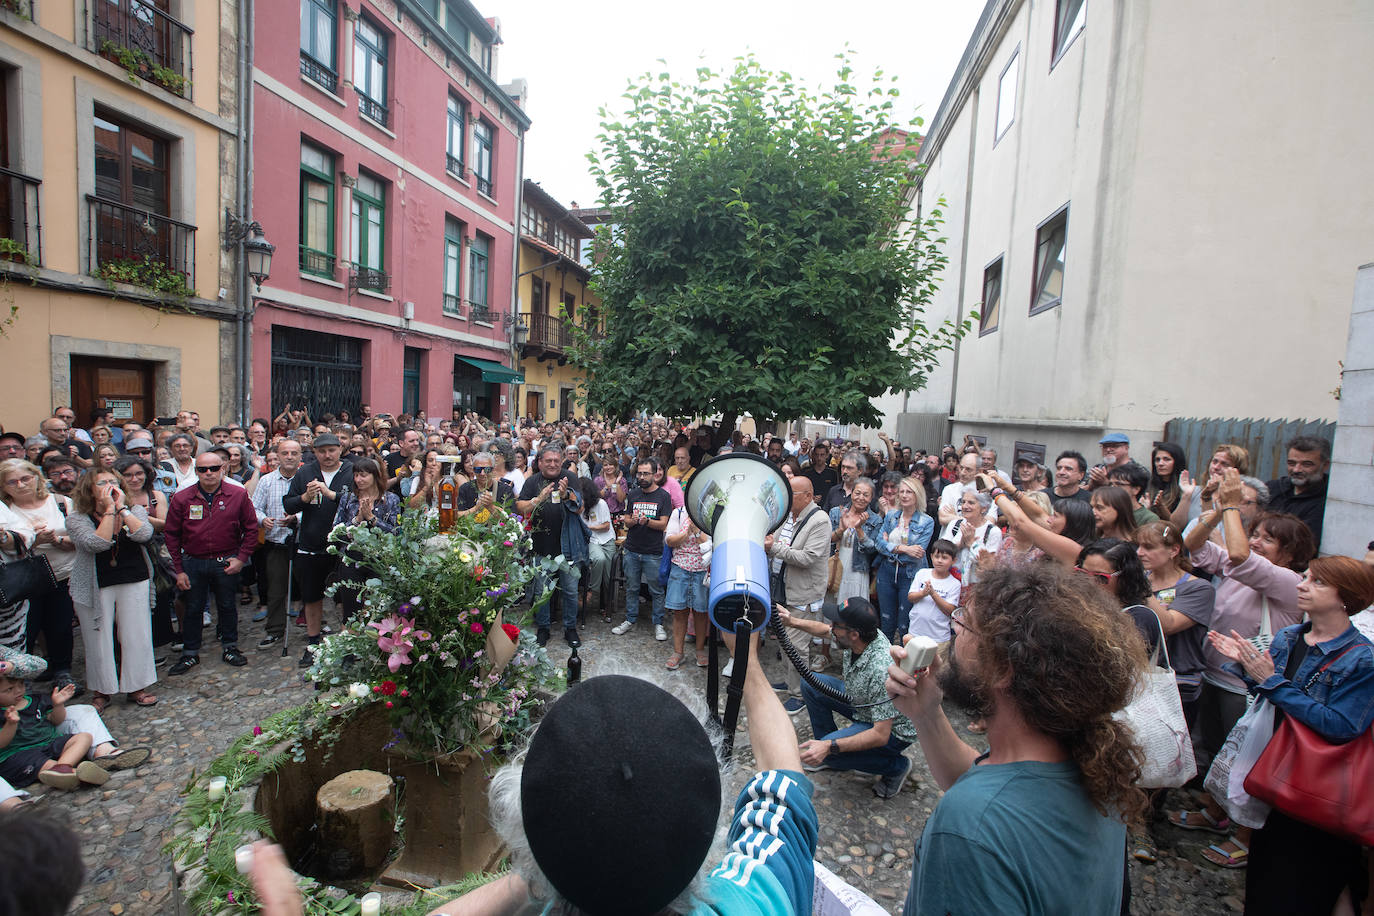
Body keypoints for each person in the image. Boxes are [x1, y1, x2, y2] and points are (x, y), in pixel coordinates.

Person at [252, 656, 818, 916]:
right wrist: (753, 661)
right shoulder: (756, 896)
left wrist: (537, 877)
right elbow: (782, 778)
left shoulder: (538, 887)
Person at [885, 563, 1148, 915]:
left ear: (1004, 669)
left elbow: (988, 807)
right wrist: (926, 713)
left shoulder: (969, 827)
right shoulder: (1097, 762)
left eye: (964, 625)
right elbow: (987, 784)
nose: (953, 632)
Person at [1209, 556, 1374, 913]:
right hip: (1274, 774)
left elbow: (1342, 726)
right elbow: (1270, 694)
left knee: (1303, 888)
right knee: (1266, 881)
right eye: (1305, 577)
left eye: (1316, 582)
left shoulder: (1363, 659)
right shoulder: (1289, 636)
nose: (1301, 585)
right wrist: (1247, 666)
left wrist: (1271, 681)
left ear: (1346, 596)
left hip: (1321, 789)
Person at [1169, 471, 1315, 867]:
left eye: (1267, 538)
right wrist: (1216, 513)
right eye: (1255, 533)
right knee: (1218, 751)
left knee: (1251, 760)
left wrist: (1233, 504)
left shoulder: (1286, 581)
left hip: (1250, 687)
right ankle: (1216, 813)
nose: (1254, 542)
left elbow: (1236, 555)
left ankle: (1247, 836)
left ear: (1289, 552)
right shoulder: (1242, 569)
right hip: (1215, 672)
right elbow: (1190, 545)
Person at [780, 596, 918, 797]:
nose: (831, 627)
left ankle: (897, 766)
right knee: (810, 684)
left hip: (889, 731)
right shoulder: (860, 636)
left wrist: (830, 746)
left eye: (836, 624)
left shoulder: (880, 669)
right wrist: (791, 621)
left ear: (853, 634)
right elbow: (824, 630)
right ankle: (830, 751)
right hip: (861, 702)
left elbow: (881, 734)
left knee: (831, 752)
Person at [65, 469, 158, 710]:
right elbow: (96, 544)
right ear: (89, 489)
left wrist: (122, 509)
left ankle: (137, 685)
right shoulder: (77, 518)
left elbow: (144, 534)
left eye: (113, 482)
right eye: (102, 482)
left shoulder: (135, 509)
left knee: (136, 634)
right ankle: (102, 688)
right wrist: (108, 510)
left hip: (133, 576)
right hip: (96, 583)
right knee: (97, 637)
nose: (109, 485)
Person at [164, 451, 259, 675]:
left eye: (214, 468)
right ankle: (190, 652)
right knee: (193, 607)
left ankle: (230, 646)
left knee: (227, 606)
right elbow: (171, 534)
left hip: (225, 561)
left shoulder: (237, 494)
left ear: (223, 469)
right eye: (203, 469)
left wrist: (241, 558)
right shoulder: (182, 497)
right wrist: (178, 570)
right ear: (196, 471)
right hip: (193, 562)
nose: (208, 473)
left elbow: (252, 529)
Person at [0, 460, 79, 693]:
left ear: (37, 477)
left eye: (26, 478)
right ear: (4, 486)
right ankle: (17, 682)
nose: (21, 485)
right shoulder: (6, 509)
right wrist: (31, 540)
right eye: (12, 481)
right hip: (24, 581)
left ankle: (62, 670)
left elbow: (80, 536)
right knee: (28, 628)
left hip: (63, 573)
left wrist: (56, 540)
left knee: (61, 626)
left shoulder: (60, 502)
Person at [282, 433, 351, 667]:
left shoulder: (351, 470)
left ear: (340, 449)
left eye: (332, 450)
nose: (327, 455)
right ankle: (313, 643)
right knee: (311, 597)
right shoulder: (305, 472)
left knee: (347, 598)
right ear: (314, 452)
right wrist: (304, 497)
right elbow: (288, 503)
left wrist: (332, 495)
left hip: (344, 545)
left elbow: (361, 497)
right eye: (322, 451)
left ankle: (346, 646)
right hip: (311, 544)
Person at [1135, 521, 1213, 728]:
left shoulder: (1198, 588)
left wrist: (1138, 586)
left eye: (1149, 547)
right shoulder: (1142, 579)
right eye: (1138, 546)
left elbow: (1169, 625)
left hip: (1178, 679)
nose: (1140, 553)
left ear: (1174, 550)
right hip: (1139, 676)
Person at [766, 476, 833, 712]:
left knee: (796, 645)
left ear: (807, 496)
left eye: (791, 493)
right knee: (785, 642)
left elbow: (807, 558)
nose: (786, 498)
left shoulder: (819, 521)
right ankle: (790, 682)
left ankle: (800, 694)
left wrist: (773, 548)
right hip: (784, 590)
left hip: (803, 595)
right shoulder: (788, 517)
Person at [517, 446, 584, 647]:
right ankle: (544, 628)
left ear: (561, 460)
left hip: (568, 547)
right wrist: (539, 499)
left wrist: (566, 495)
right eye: (548, 461)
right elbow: (520, 507)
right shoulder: (532, 481)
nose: (553, 464)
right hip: (541, 546)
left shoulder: (569, 478)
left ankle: (570, 629)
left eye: (556, 460)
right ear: (540, 462)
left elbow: (580, 507)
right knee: (542, 592)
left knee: (571, 591)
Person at [331, 458, 402, 619]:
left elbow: (396, 532)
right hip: (351, 558)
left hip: (380, 558)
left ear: (375, 475)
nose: (358, 480)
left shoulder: (391, 499)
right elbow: (336, 531)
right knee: (350, 612)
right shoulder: (348, 499)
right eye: (356, 475)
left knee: (379, 610)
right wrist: (357, 520)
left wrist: (372, 519)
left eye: (363, 475)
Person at [611, 458, 672, 642]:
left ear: (655, 474)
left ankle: (658, 623)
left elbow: (663, 525)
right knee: (632, 587)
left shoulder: (663, 496)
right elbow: (627, 519)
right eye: (639, 473)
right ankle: (630, 619)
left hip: (653, 551)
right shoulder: (634, 494)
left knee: (656, 589)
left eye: (646, 473)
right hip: (632, 548)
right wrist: (634, 520)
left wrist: (647, 521)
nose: (642, 477)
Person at [250, 439, 301, 650]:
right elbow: (254, 508)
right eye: (285, 453)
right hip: (276, 541)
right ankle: (275, 629)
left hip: (302, 542)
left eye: (294, 453)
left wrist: (296, 517)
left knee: (309, 587)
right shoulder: (266, 480)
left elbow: (318, 508)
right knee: (276, 589)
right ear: (277, 456)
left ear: (300, 456)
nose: (289, 457)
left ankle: (314, 626)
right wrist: (263, 520)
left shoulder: (308, 479)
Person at [874, 476, 935, 642]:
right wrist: (904, 548)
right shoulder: (891, 516)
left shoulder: (927, 521)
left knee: (905, 623)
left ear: (917, 495)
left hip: (910, 574)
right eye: (902, 491)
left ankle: (905, 663)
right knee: (886, 621)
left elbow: (918, 552)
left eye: (909, 492)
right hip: (887, 571)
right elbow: (879, 544)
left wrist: (890, 545)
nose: (905, 495)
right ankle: (884, 662)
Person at [663, 500, 711, 670]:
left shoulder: (709, 514)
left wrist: (697, 532)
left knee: (701, 612)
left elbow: (709, 545)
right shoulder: (678, 513)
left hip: (702, 569)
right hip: (680, 568)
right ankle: (678, 652)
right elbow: (670, 540)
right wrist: (686, 533)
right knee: (679, 612)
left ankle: (700, 650)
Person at [1264, 435, 1331, 549]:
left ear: (1325, 465)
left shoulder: (1329, 500)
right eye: (1291, 463)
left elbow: (1304, 544)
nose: (1296, 470)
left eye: (1306, 464)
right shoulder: (1272, 488)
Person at [828, 477, 881, 609]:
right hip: (836, 564)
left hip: (857, 569)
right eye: (857, 493)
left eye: (866, 495)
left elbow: (872, 549)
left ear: (871, 497)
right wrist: (841, 529)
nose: (861, 498)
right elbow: (827, 539)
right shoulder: (837, 512)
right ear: (852, 492)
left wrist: (859, 530)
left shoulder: (875, 520)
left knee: (853, 607)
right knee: (832, 604)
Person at [939, 490, 1002, 587]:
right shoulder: (955, 525)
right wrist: (960, 544)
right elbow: (940, 552)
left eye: (971, 503)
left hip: (978, 586)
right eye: (963, 502)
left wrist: (972, 544)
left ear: (983, 508)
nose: (964, 506)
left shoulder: (992, 531)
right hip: (951, 583)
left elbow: (990, 566)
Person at [905, 539, 961, 644]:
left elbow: (950, 610)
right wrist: (923, 593)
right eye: (936, 556)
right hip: (915, 632)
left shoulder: (954, 584)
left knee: (938, 660)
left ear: (953, 561)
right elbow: (910, 597)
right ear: (931, 557)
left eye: (944, 558)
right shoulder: (922, 574)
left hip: (938, 637)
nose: (939, 560)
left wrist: (933, 594)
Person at [1146, 442, 1189, 518]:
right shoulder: (1147, 485)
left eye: (1166, 459)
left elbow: (1177, 524)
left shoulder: (1185, 490)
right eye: (1157, 460)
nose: (1160, 463)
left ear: (1177, 462)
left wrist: (1161, 507)